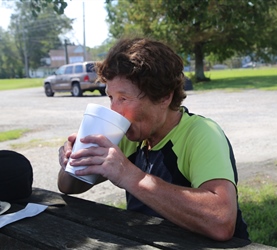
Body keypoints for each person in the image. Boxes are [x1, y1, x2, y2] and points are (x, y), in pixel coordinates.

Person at [58, 37, 249, 241]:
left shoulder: (202, 133)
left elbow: (221, 222)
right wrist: (74, 159)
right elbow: (69, 187)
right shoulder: (129, 136)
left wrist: (130, 176)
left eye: (124, 98)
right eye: (111, 98)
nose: (114, 110)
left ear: (164, 97)